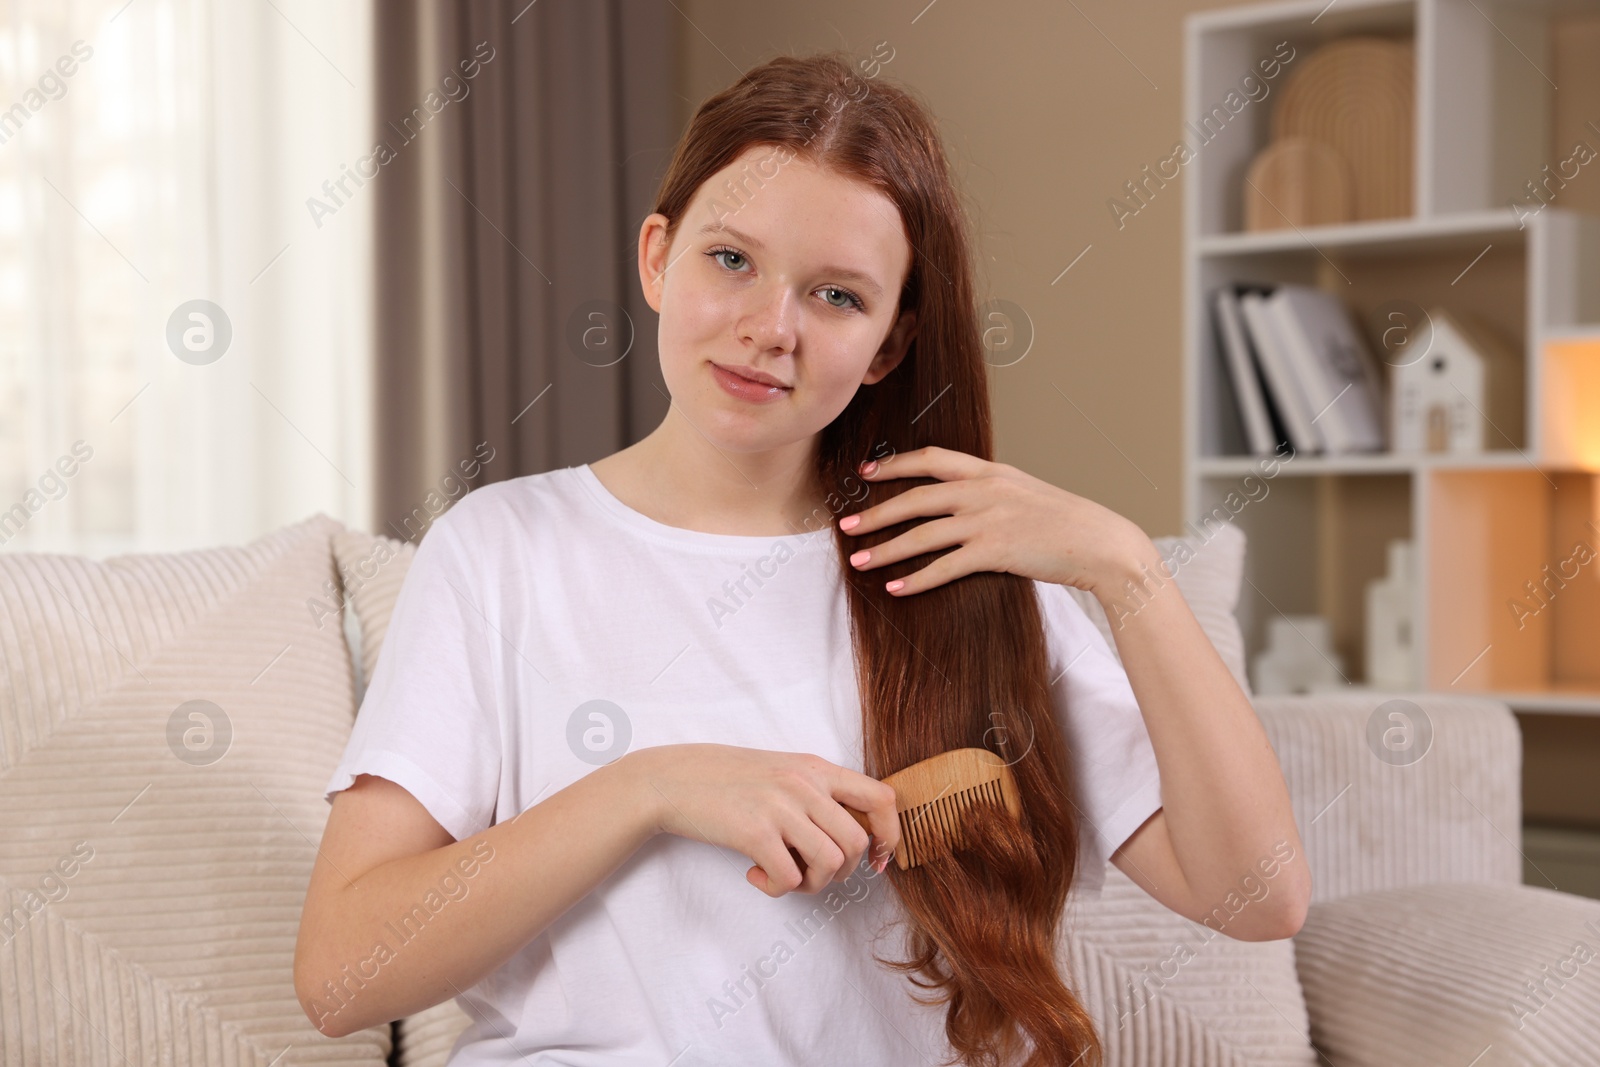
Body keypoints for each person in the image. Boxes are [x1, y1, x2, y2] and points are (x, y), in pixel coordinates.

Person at [295, 51, 1309, 1067]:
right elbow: (341, 971)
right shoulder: (500, 550)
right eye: (730, 259)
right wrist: (649, 788)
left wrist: (1126, 567)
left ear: (887, 343)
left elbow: (1258, 894)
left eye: (834, 295)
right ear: (656, 258)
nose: (767, 329)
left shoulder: (959, 566)